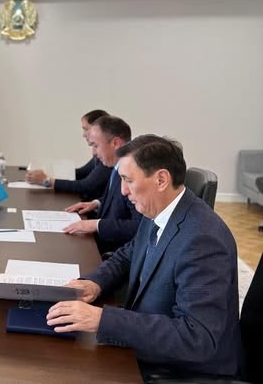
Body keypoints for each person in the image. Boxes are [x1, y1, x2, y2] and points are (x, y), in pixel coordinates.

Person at [47, 135, 243, 380]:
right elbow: (128, 254)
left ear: (161, 179)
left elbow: (197, 337)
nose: (123, 190)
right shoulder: (158, 210)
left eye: (129, 180)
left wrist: (103, 319)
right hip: (147, 343)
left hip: (182, 370)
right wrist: (95, 282)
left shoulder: (203, 240)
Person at [62, 116, 141, 253]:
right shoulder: (116, 168)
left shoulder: (132, 174)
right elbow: (120, 200)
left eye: (96, 146)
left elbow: (138, 226)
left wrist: (96, 224)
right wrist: (96, 203)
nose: (93, 153)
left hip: (114, 251)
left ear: (115, 143)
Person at [25, 109, 111, 201]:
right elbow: (80, 173)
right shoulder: (100, 153)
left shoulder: (107, 157)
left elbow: (85, 186)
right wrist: (46, 174)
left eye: (86, 129)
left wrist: (46, 181)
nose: (83, 134)